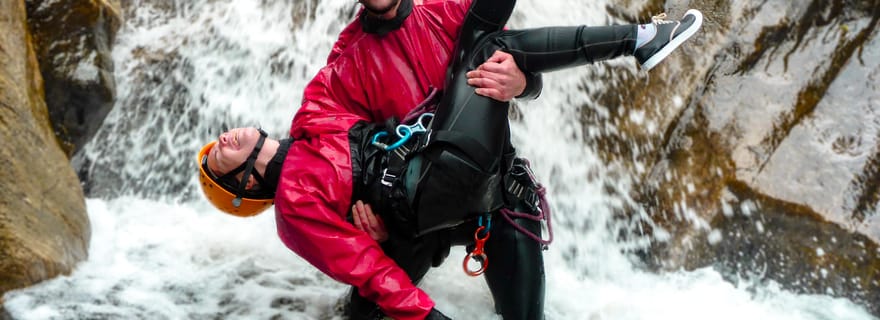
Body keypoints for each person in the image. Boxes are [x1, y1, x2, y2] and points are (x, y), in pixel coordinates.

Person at [196, 0, 703, 318]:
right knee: (366, 313)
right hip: (415, 213)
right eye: (222, 159)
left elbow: (522, 64)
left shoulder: (444, 8)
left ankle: (641, 40)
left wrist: (523, 86)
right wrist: (357, 226)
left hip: (490, 199)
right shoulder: (343, 67)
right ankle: (639, 40)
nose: (224, 139)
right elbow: (339, 237)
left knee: (492, 46)